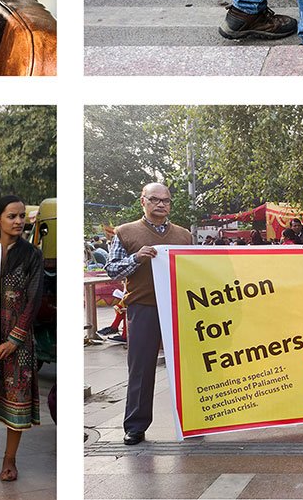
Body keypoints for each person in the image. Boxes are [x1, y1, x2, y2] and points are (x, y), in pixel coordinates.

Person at [104, 183, 193, 445]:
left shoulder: (184, 236)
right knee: (141, 367)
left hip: (179, 307)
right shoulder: (126, 233)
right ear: (143, 201)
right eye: (154, 199)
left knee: (188, 365)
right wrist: (136, 259)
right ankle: (135, 425)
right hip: (143, 307)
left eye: (166, 200)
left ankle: (193, 420)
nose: (161, 204)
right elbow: (112, 270)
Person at [0, 194, 45, 482]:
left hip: (17, 341)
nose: (19, 221)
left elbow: (33, 301)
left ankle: (10, 458)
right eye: (12, 216)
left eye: (22, 216)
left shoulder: (32, 255)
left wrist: (15, 340)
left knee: (15, 399)